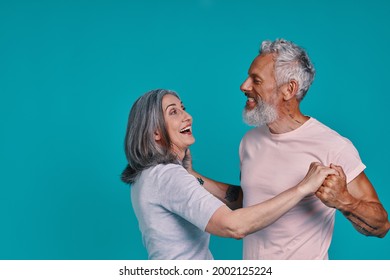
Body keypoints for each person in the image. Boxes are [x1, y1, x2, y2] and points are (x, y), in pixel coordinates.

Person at [191, 38, 390, 260]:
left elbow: (381, 225)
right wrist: (191, 176)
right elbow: (249, 202)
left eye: (256, 80)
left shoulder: (332, 145)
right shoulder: (250, 141)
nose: (244, 86)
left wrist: (343, 200)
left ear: (289, 89)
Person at [121, 88, 338, 260]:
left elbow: (226, 199)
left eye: (183, 108)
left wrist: (190, 173)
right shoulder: (168, 176)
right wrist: (302, 188)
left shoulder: (149, 176)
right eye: (173, 112)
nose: (188, 117)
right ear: (155, 132)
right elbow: (234, 225)